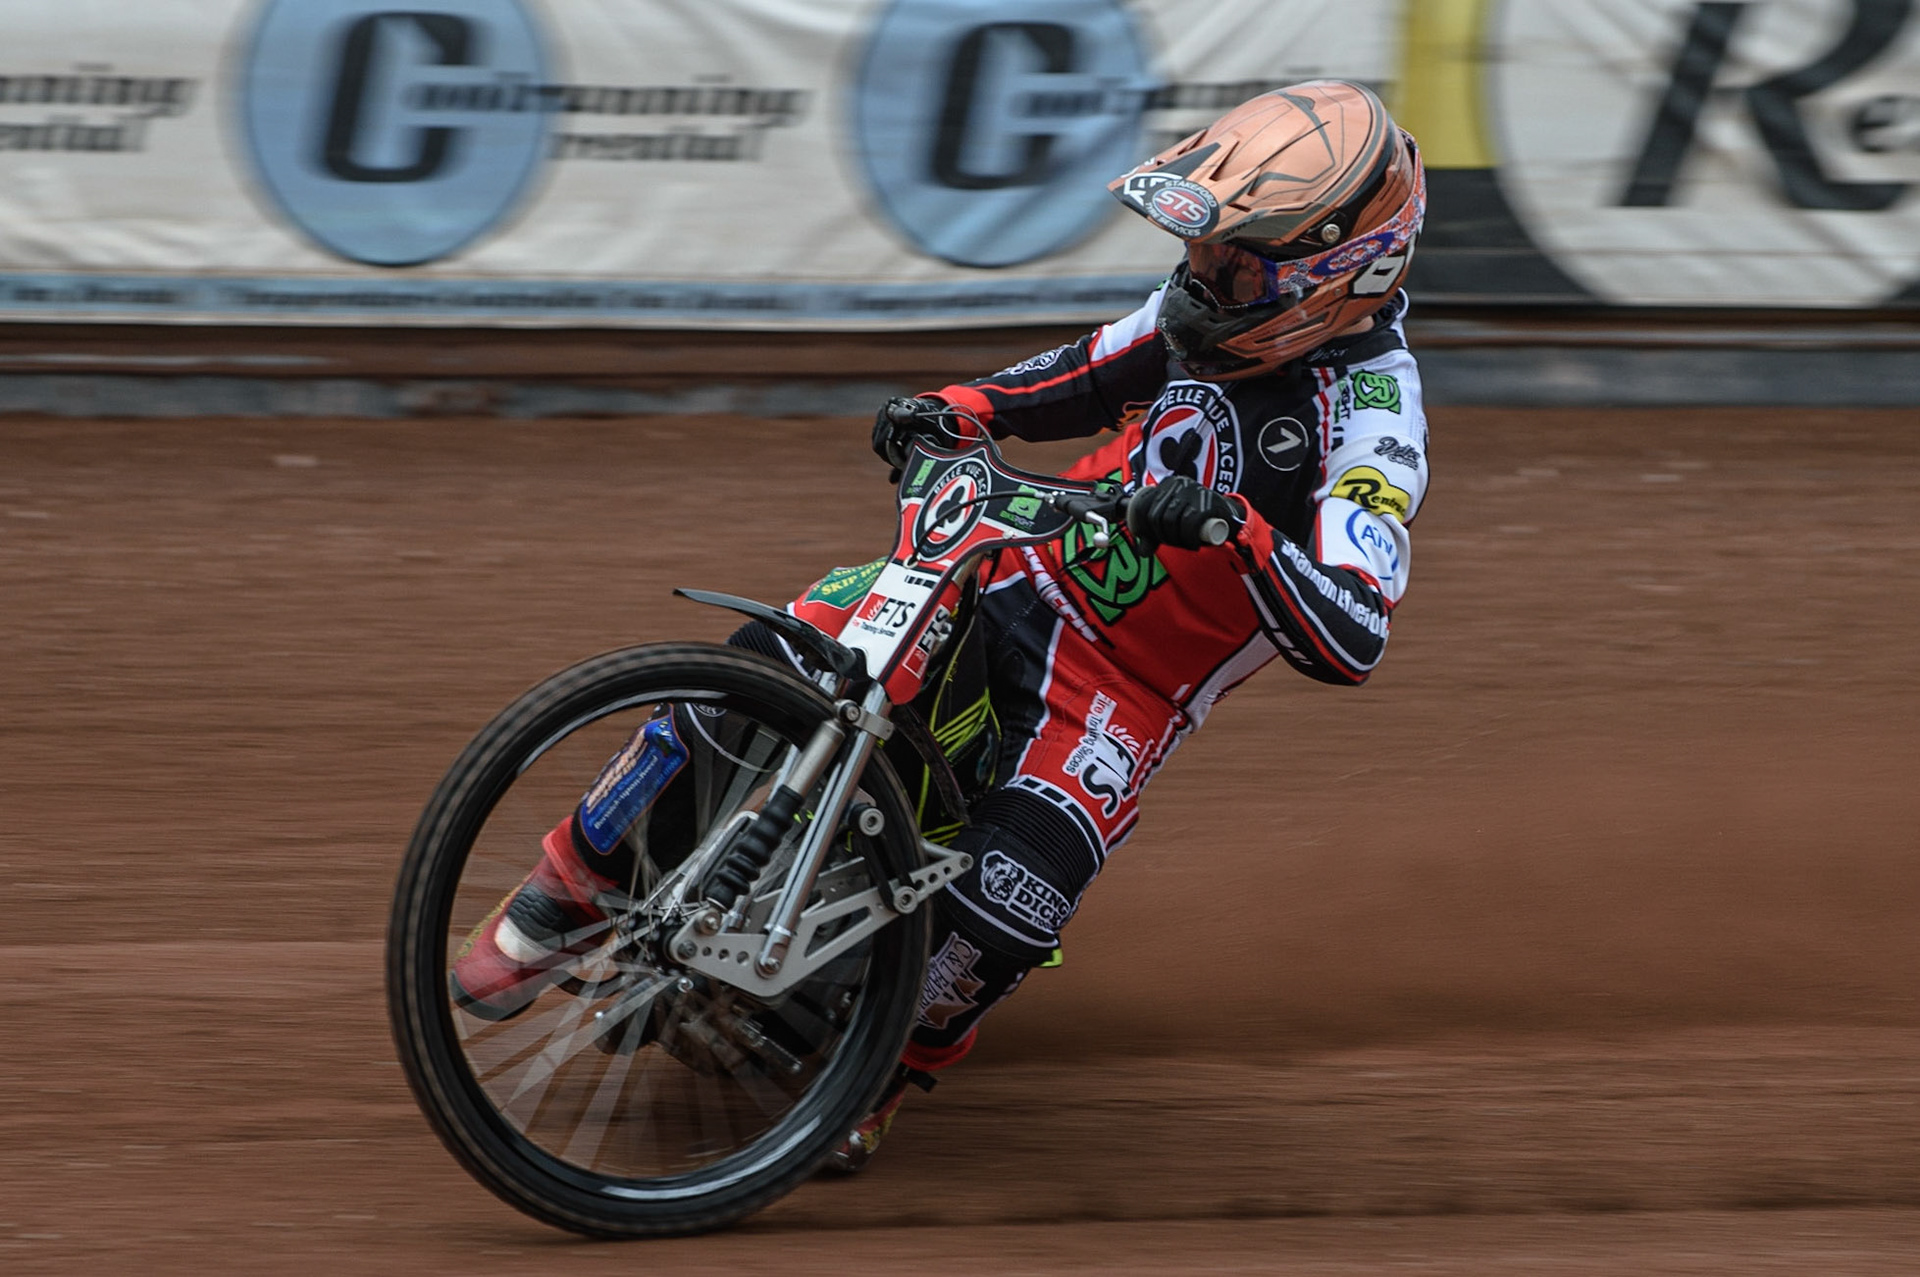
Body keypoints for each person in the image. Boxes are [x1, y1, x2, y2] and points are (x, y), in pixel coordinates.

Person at [449, 80, 1430, 1173]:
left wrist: (1239, 532)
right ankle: (570, 883)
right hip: (1010, 563)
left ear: (1337, 275)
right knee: (782, 652)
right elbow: (1074, 374)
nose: (1201, 285)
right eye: (1204, 257)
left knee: (1021, 883)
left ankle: (891, 1065)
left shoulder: (1376, 421)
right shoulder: (1207, 313)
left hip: (1121, 690)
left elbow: (1355, 630)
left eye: (1234, 267)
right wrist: (959, 406)